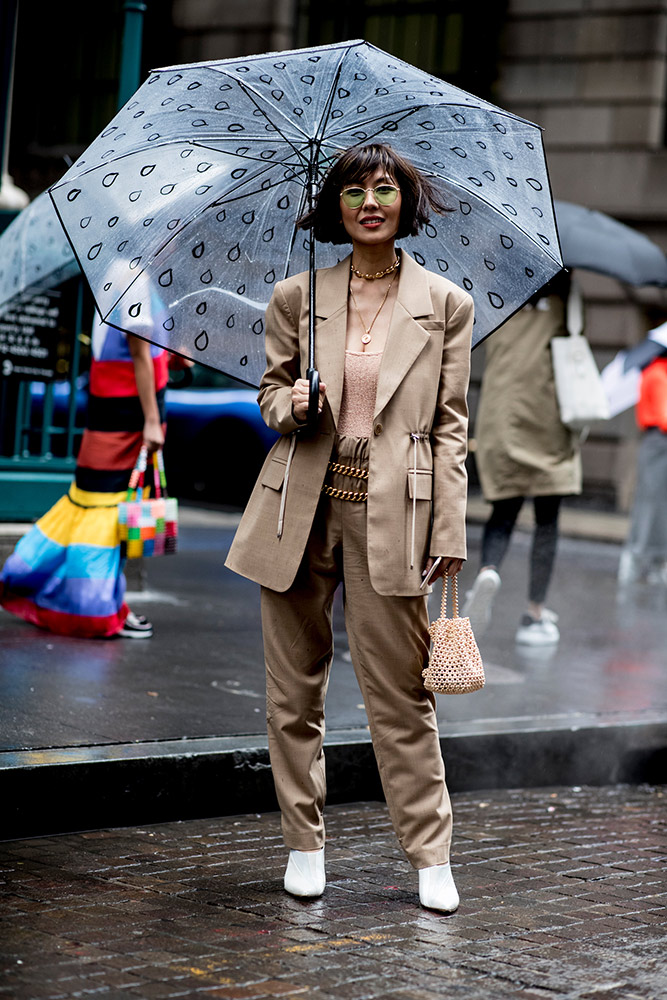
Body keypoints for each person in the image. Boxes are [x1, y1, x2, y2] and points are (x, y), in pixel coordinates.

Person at [225, 143, 474, 912]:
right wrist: (290, 405)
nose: (370, 201)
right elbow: (269, 393)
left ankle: (430, 854)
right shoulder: (296, 296)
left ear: (405, 203)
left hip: (393, 511)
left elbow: (450, 428)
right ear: (333, 207)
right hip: (296, 506)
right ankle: (304, 841)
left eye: (385, 188)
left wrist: (448, 531)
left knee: (400, 695)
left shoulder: (446, 304)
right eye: (355, 191)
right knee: (291, 693)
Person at [0, 319, 170, 639]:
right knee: (108, 509)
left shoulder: (117, 284)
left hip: (112, 418)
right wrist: (152, 420)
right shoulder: (134, 284)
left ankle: (26, 576)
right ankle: (98, 604)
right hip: (126, 424)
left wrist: (173, 357)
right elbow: (139, 354)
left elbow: (135, 351)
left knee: (93, 504)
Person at [464, 274, 582, 646]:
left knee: (503, 510)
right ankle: (534, 614)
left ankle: (488, 570)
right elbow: (576, 342)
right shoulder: (564, 299)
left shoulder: (496, 294)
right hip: (549, 417)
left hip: (503, 417)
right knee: (547, 520)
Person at [617, 345, 667, 586]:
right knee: (651, 501)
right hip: (659, 442)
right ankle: (638, 558)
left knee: (657, 502)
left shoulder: (657, 372)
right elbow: (664, 416)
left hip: (657, 443)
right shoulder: (658, 374)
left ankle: (651, 560)